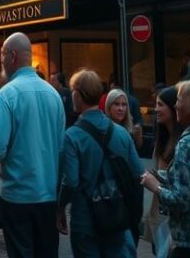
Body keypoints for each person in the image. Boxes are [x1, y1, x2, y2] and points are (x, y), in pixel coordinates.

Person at [0, 32, 65, 258]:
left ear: (12, 56)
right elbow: (61, 150)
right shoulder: (54, 95)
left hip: (17, 197)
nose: (0, 62)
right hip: (47, 196)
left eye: (2, 56)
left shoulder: (7, 95)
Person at [57, 69, 143, 257]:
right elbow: (138, 173)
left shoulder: (72, 136)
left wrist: (60, 207)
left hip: (85, 217)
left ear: (78, 95)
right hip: (116, 215)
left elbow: (70, 181)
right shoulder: (121, 133)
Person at [141, 79, 190, 257]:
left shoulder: (188, 142)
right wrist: (165, 175)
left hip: (189, 239)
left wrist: (156, 187)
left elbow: (180, 200)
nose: (176, 105)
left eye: (179, 99)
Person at [144, 87, 182, 257]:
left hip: (174, 220)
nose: (156, 109)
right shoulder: (162, 138)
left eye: (160, 105)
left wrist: (157, 183)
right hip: (159, 216)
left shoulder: (183, 142)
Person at [106, 88, 143, 153]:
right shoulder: (103, 128)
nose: (121, 108)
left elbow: (137, 149)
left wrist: (137, 136)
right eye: (117, 104)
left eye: (124, 104)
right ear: (108, 106)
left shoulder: (130, 128)